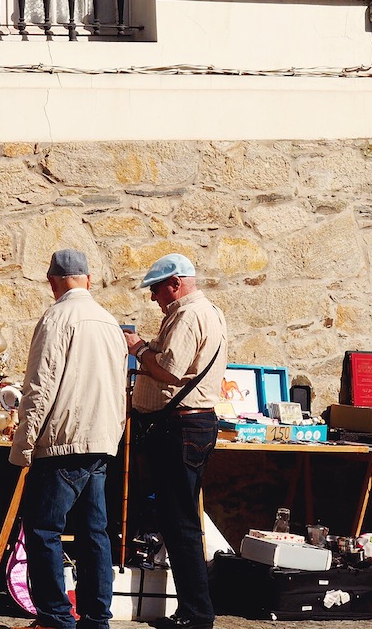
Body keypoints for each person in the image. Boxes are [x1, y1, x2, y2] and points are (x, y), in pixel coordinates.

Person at [10, 248, 129, 629]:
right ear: (88, 279)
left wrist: (23, 446)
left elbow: (40, 387)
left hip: (63, 440)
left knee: (44, 530)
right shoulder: (110, 323)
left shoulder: (57, 317)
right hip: (100, 441)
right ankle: (96, 618)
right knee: (96, 534)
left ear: (53, 282)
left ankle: (54, 617)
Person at [122, 253, 227, 629]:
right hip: (189, 428)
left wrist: (137, 348)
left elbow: (168, 370)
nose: (153, 298)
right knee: (178, 519)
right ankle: (193, 611)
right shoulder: (206, 310)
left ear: (174, 283)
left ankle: (196, 614)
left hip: (181, 428)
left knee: (179, 523)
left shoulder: (187, 314)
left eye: (155, 289)